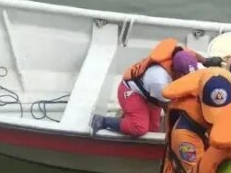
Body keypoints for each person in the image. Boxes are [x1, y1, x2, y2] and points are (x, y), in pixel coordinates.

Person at [91, 38, 220, 137]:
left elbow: (193, 55)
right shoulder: (159, 79)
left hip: (148, 92)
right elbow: (169, 108)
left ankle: (131, 116)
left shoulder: (181, 54)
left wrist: (207, 61)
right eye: (183, 76)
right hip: (130, 92)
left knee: (154, 128)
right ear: (175, 70)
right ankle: (103, 121)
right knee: (140, 128)